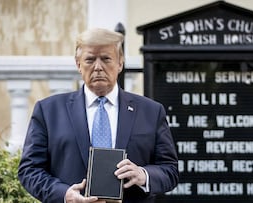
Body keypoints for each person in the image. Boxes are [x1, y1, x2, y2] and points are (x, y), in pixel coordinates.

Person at [18, 28, 179, 203]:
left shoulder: (150, 112)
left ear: (120, 63)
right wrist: (64, 194)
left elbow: (169, 170)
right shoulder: (49, 111)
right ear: (78, 64)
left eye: (106, 58)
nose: (98, 67)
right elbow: (29, 169)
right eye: (90, 59)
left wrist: (143, 175)